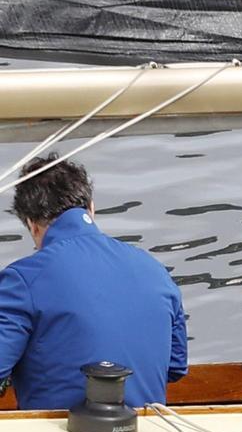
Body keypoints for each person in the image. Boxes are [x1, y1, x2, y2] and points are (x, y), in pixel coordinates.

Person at [0, 153, 188, 410]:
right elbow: (175, 366)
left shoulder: (22, 279)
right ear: (91, 207)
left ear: (32, 224)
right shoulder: (155, 269)